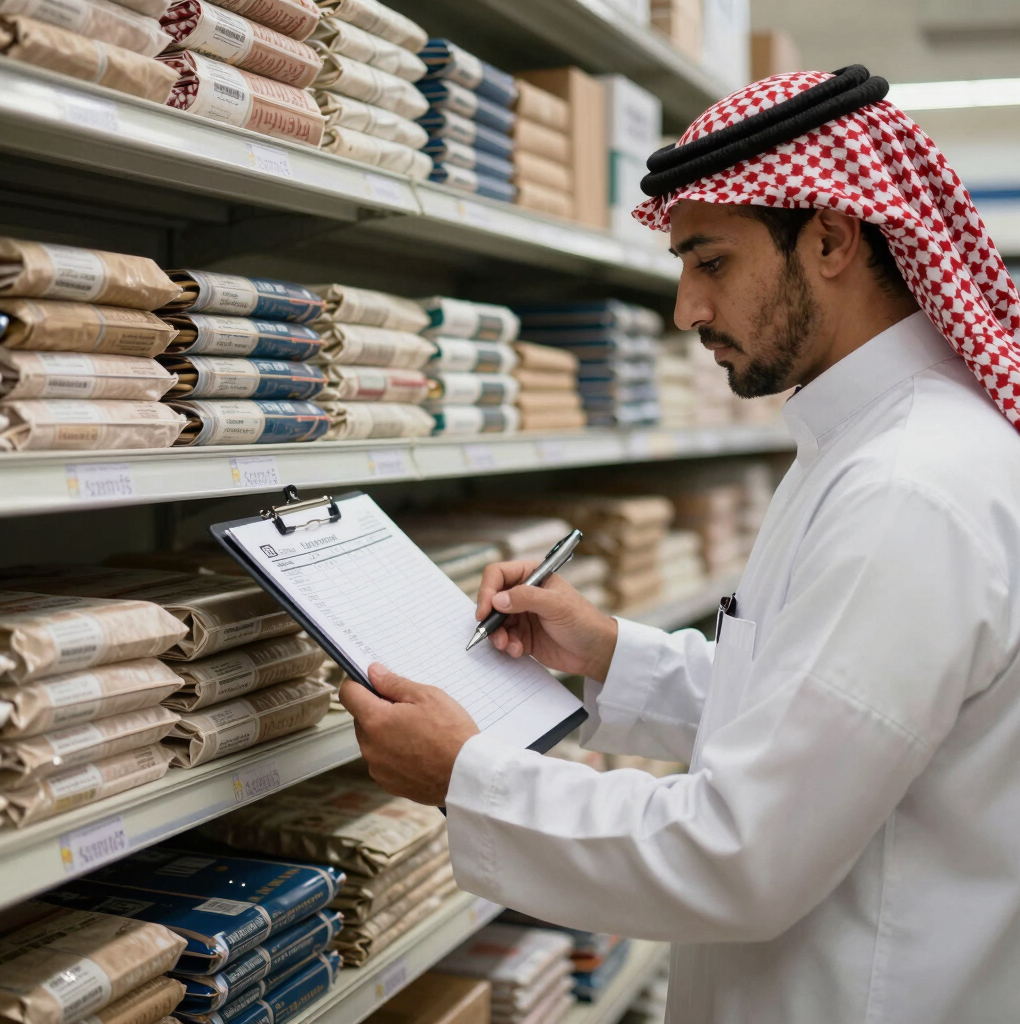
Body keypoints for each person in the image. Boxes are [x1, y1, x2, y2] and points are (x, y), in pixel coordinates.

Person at [339, 66, 1020, 1022]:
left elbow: (740, 852)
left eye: (712, 263)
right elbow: (812, 716)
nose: (686, 311)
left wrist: (468, 775)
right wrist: (607, 654)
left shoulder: (908, 491)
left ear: (830, 237)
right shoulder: (864, 448)